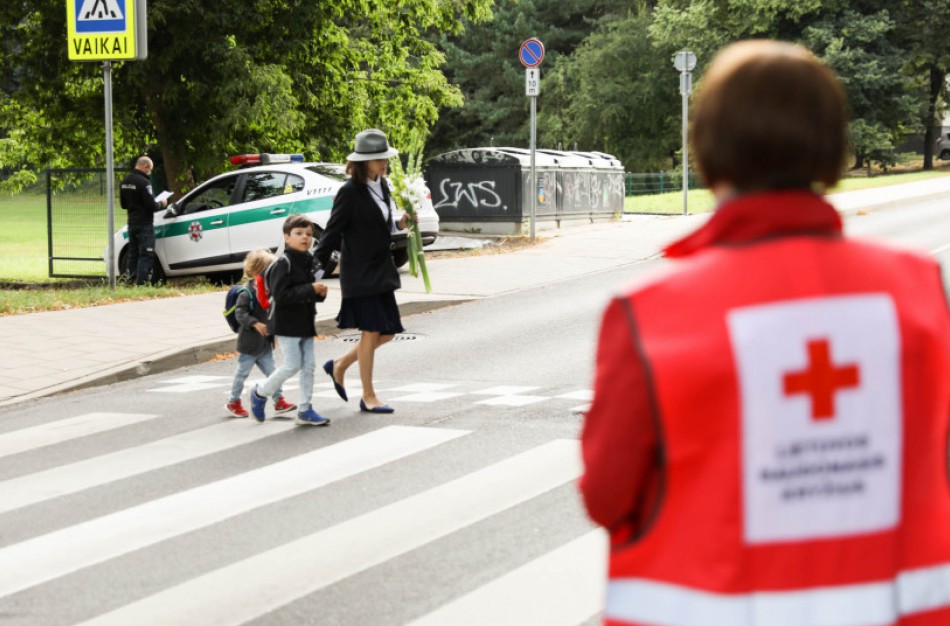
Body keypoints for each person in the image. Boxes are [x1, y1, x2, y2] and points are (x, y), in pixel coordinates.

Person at [580, 40, 950, 626]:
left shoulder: (650, 313)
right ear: (833, 148)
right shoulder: (919, 291)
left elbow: (607, 496)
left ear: (707, 148)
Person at [315, 129, 416, 414]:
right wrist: (313, 270)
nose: (383, 162)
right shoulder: (349, 192)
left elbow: (383, 224)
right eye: (377, 158)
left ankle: (339, 365)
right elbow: (332, 232)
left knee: (388, 332)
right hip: (359, 271)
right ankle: (369, 396)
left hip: (380, 269)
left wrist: (401, 223)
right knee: (372, 331)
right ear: (362, 161)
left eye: (384, 156)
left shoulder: (382, 185)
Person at [249, 214, 330, 426]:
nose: (305, 238)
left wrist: (319, 293)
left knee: (309, 366)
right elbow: (281, 295)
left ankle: (305, 409)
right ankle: (260, 393)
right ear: (287, 237)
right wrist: (310, 289)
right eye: (299, 233)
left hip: (305, 321)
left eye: (309, 234)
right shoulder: (282, 264)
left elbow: (306, 293)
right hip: (286, 323)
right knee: (292, 365)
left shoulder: (309, 262)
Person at [225, 249, 297, 419]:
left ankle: (279, 401)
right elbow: (240, 314)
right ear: (259, 271)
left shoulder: (270, 290)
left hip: (264, 344)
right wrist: (255, 323)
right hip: (249, 344)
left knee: (273, 373)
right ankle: (233, 401)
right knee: (242, 373)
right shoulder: (247, 292)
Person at [119, 156, 167, 285]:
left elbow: (123, 204)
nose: (149, 173)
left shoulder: (125, 181)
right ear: (145, 167)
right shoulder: (144, 182)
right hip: (144, 224)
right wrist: (161, 203)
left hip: (132, 223)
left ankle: (129, 282)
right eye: (150, 170)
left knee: (132, 255)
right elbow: (151, 205)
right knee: (146, 254)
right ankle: (142, 284)